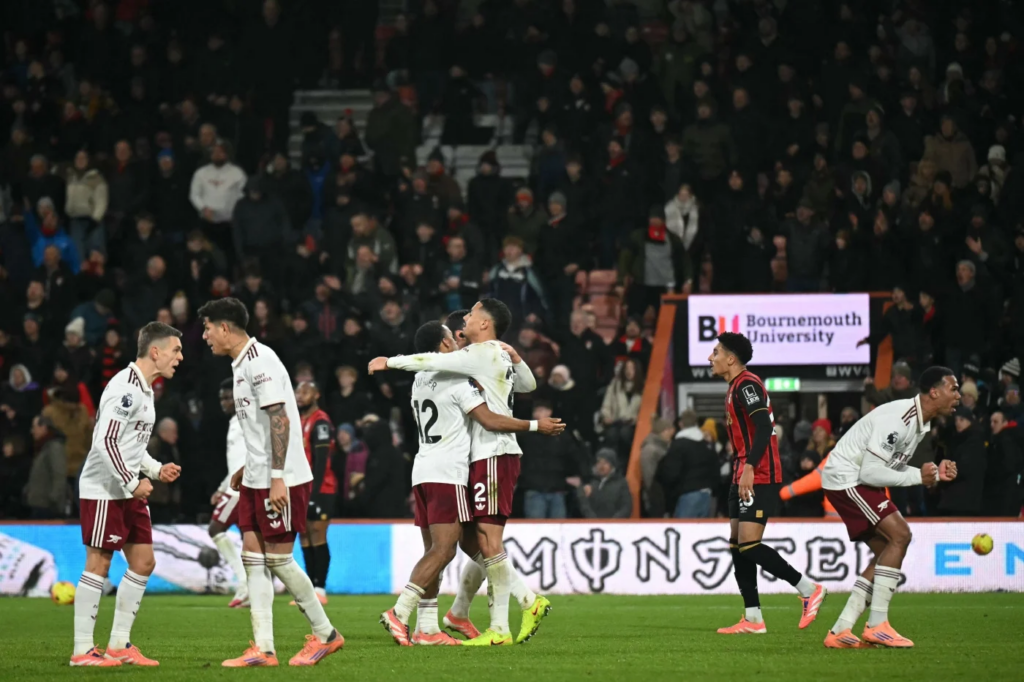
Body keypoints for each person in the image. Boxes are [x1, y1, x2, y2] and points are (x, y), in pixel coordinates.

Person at [368, 299, 549, 646]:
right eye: (453, 337)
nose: (459, 339)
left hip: (423, 469)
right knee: (454, 548)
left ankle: (431, 627)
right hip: (454, 470)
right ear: (446, 347)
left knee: (467, 545)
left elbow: (520, 383)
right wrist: (534, 425)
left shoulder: (422, 381)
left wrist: (509, 359)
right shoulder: (458, 379)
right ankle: (407, 613)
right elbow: (491, 418)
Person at [199, 297, 344, 667]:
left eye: (208, 328)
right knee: (252, 558)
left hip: (282, 479)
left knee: (278, 561)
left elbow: (279, 419)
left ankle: (326, 634)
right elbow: (261, 427)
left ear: (226, 327)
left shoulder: (260, 361)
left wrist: (277, 478)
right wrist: (248, 466)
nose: (204, 336)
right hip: (257, 476)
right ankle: (264, 649)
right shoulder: (241, 363)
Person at [821, 366, 960, 649]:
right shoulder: (901, 419)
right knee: (900, 535)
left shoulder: (918, 421)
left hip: (854, 477)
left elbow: (890, 466)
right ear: (934, 392)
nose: (958, 395)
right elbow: (870, 473)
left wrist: (931, 474)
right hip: (847, 477)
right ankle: (877, 625)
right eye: (953, 388)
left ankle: (841, 630)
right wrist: (918, 476)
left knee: (888, 549)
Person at [71, 322, 184, 667]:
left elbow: (128, 446)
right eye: (176, 350)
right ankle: (82, 651)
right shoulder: (126, 388)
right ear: (155, 351)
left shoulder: (145, 390)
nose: (180, 357)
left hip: (125, 488)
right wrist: (132, 482)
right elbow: (104, 442)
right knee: (99, 563)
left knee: (143, 562)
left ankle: (119, 645)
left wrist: (153, 469)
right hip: (106, 488)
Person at [708, 332, 825, 635]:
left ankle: (807, 588)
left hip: (759, 475)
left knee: (748, 544)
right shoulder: (735, 386)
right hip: (743, 473)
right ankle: (753, 618)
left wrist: (748, 467)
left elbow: (763, 426)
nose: (711, 357)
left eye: (716, 352)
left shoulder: (746, 384)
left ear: (731, 359)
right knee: (737, 545)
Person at [294, 381, 336, 605]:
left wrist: (314, 493)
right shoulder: (300, 421)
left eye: (306, 391)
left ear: (317, 394)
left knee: (317, 534)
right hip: (302, 487)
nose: (300, 395)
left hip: (321, 488)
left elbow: (321, 462)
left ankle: (320, 588)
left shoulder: (320, 422)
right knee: (304, 536)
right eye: (298, 391)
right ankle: (310, 589)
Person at [208, 378, 249, 609]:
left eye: (227, 398)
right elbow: (235, 463)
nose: (224, 402)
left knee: (215, 528)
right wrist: (221, 488)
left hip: (242, 490)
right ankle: (250, 589)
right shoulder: (235, 421)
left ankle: (244, 582)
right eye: (221, 398)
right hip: (233, 487)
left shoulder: (246, 420)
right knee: (249, 541)